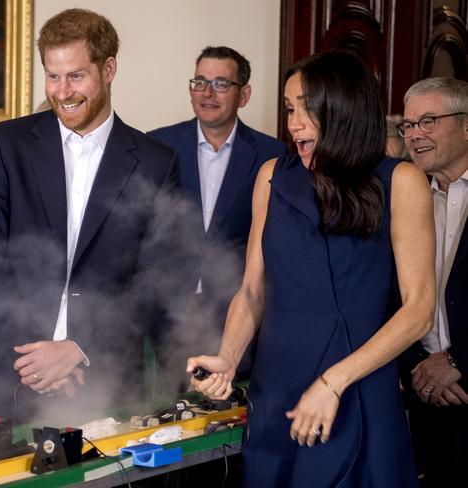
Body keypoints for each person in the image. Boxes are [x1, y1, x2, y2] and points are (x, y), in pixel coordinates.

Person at [187, 50, 435, 487]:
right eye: (289, 108)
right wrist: (227, 357)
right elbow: (252, 291)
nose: (294, 122)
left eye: (307, 107)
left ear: (343, 108)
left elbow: (419, 311)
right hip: (278, 387)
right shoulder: (271, 176)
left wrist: (333, 383)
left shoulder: (401, 181)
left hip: (357, 385)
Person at [0, 8, 180, 422]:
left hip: (108, 381)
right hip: (12, 377)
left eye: (76, 76)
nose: (62, 92)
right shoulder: (5, 145)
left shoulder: (157, 161)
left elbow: (158, 276)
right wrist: (39, 359)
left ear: (109, 68)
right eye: (53, 76)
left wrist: (78, 350)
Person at [148, 46, 286, 388]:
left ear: (245, 94)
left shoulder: (274, 156)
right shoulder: (156, 146)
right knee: (164, 424)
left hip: (237, 320)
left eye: (221, 83)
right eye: (200, 82)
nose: (207, 93)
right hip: (166, 319)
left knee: (228, 425)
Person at [397, 77, 468, 488]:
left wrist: (458, 363)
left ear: (465, 124)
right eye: (407, 125)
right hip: (427, 401)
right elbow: (392, 298)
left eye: (428, 121)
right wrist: (418, 370)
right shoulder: (405, 197)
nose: (414, 135)